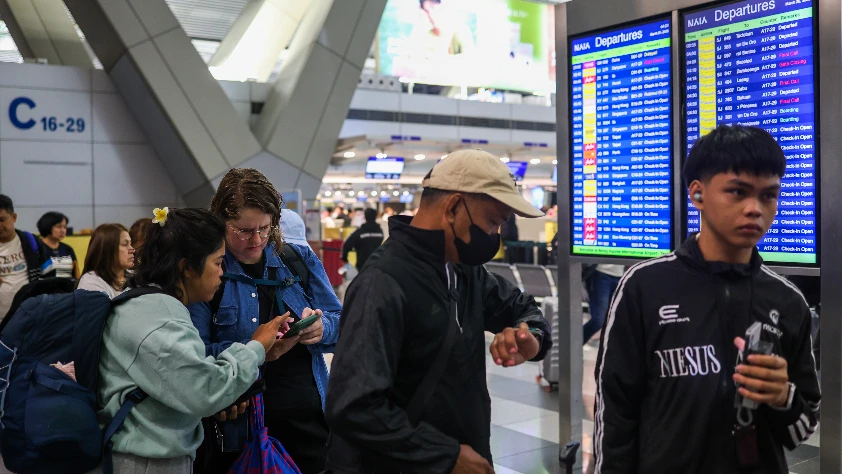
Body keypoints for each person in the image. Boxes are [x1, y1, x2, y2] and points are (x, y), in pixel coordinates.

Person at [594, 125, 820, 473]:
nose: (755, 209)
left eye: (768, 195)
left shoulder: (788, 302)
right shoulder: (644, 286)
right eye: (737, 192)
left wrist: (782, 397)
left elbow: (801, 431)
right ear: (697, 194)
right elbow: (615, 413)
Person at [324, 149, 553, 473]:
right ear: (454, 207)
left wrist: (531, 336)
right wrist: (444, 456)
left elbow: (521, 306)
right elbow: (353, 406)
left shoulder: (462, 269)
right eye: (492, 222)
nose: (494, 237)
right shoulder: (382, 283)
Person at [96, 207, 285, 474]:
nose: (222, 273)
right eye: (218, 263)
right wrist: (255, 348)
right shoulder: (159, 319)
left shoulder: (148, 305)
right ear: (187, 268)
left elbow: (182, 381)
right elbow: (205, 390)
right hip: (145, 463)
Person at [190, 169, 341, 474]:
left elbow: (341, 321)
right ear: (220, 221)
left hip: (309, 421)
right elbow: (193, 355)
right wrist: (254, 347)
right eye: (243, 230)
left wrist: (321, 328)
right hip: (238, 425)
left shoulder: (298, 260)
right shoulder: (207, 272)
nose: (256, 239)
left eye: (265, 228)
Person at [0, 194, 52, 320]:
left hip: (30, 319)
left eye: (2, 220)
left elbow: (50, 277)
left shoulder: (31, 242)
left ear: (14, 217)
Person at [77, 224, 135, 299]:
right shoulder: (91, 282)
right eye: (125, 244)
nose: (132, 250)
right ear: (107, 250)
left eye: (130, 244)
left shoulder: (136, 277)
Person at [582, 265, 623, 345]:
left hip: (620, 275)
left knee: (617, 321)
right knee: (598, 320)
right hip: (601, 273)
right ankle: (574, 344)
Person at [37, 211, 78, 280]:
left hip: (68, 289)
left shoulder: (68, 249)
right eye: (58, 227)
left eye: (65, 227)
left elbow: (76, 274)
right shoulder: (37, 248)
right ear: (47, 226)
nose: (63, 230)